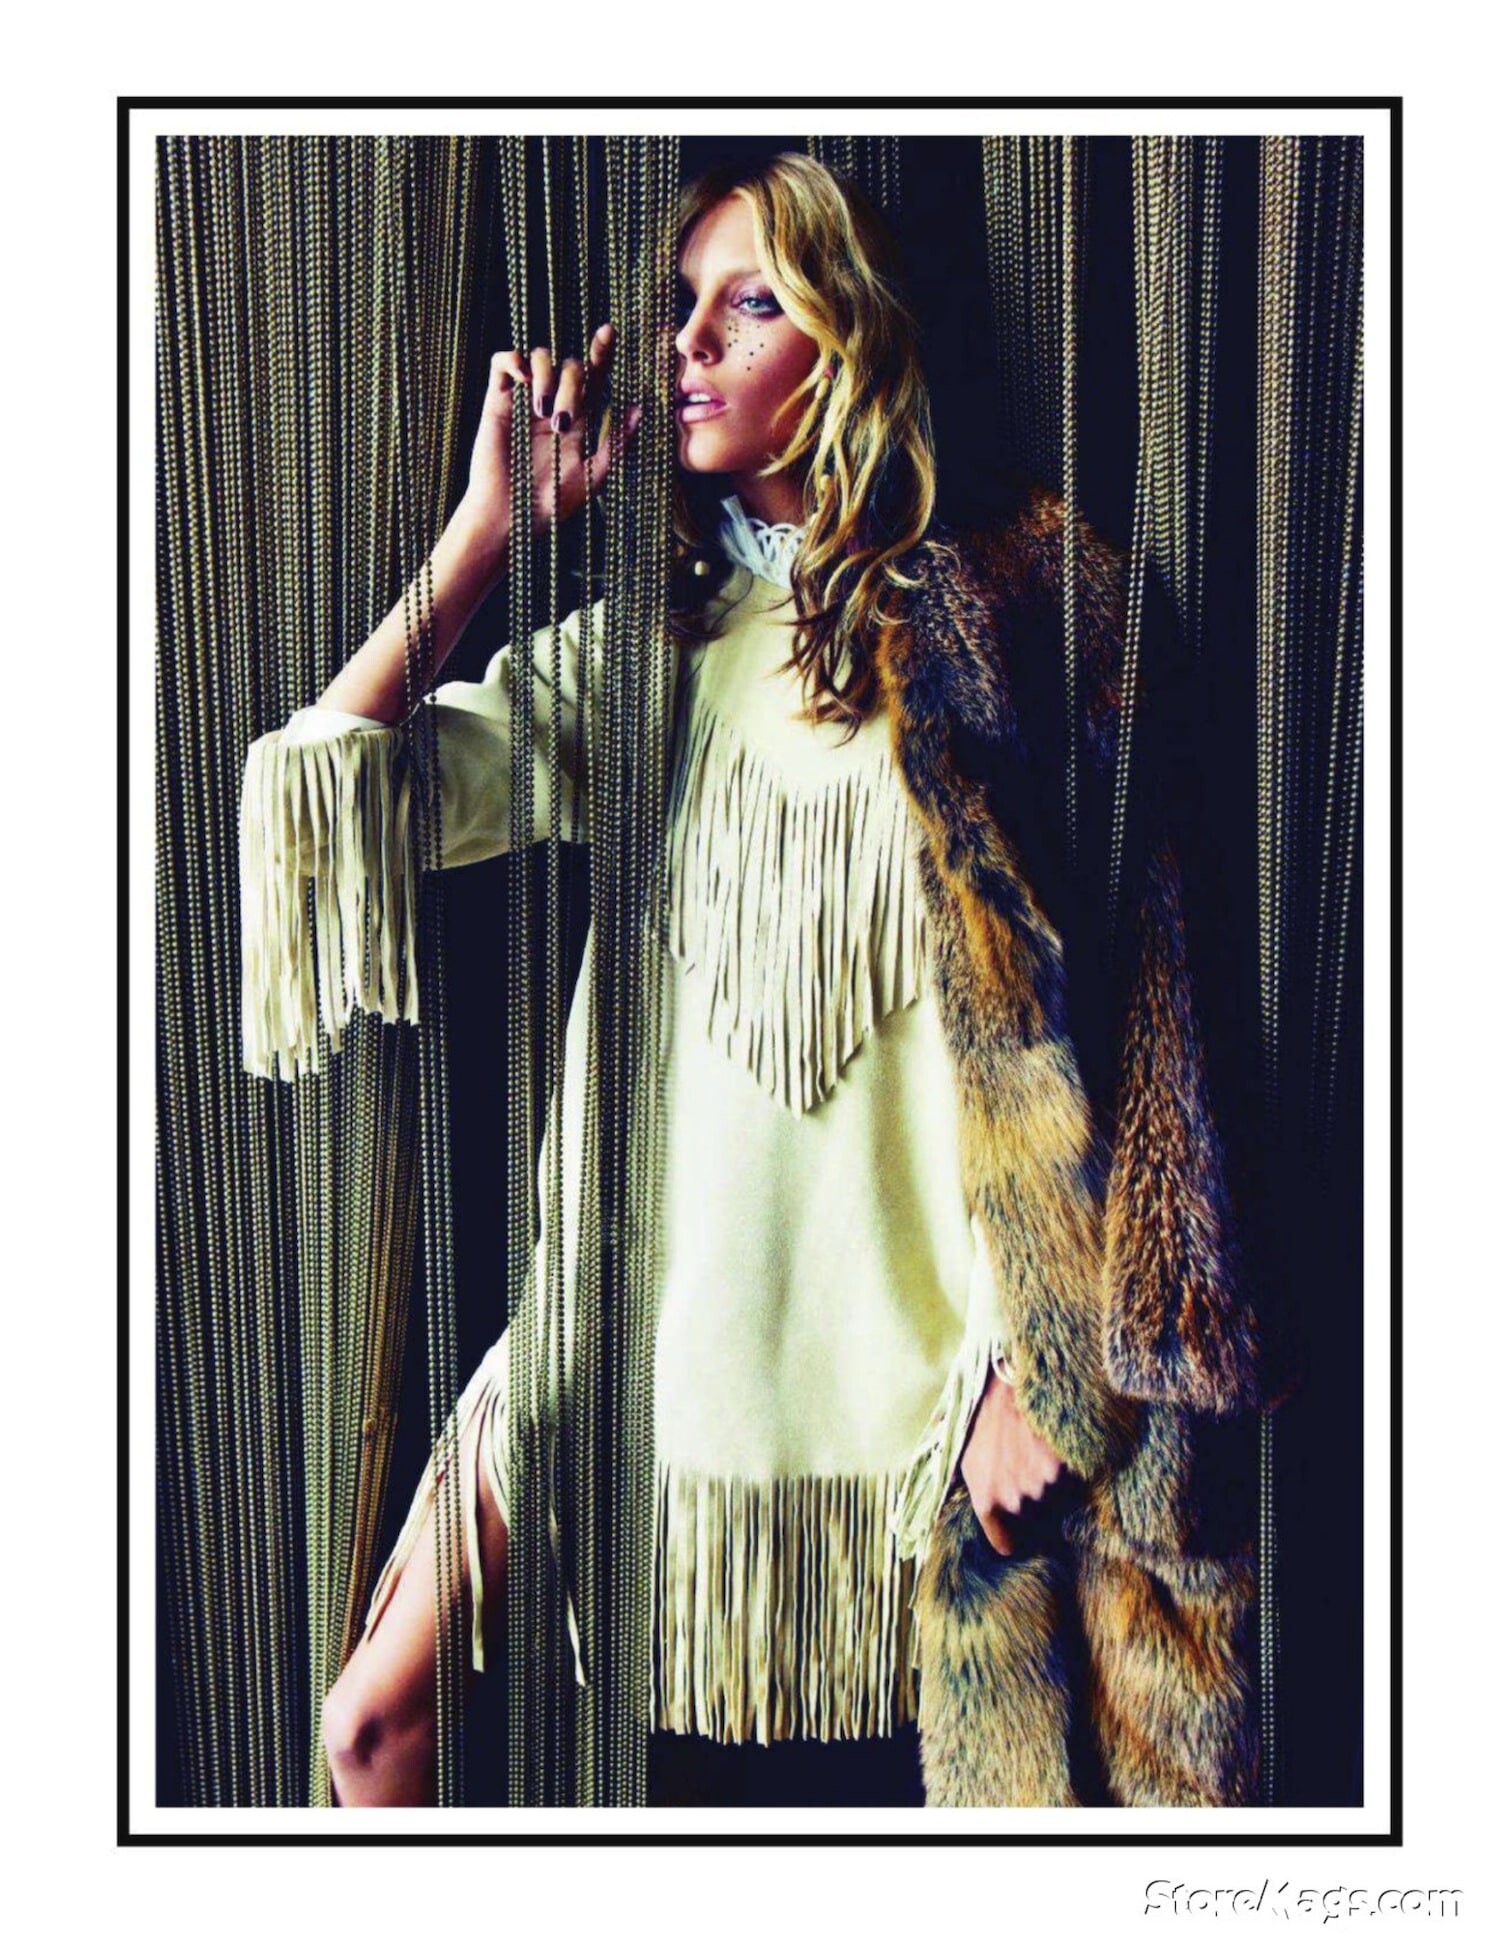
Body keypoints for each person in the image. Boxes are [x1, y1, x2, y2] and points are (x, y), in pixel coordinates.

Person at [241, 151, 1260, 1810]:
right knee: (370, 1730)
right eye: (682, 306)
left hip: (904, 1374)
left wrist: (1036, 1360)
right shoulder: (651, 654)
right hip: (623, 1343)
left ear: (849, 342)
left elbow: (1142, 1020)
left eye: (751, 304)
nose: (689, 343)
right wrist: (491, 533)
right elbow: (334, 793)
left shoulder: (1018, 613)